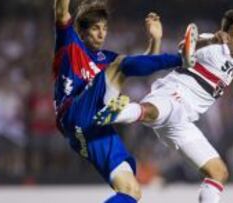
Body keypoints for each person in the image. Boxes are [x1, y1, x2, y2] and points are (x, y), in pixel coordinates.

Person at [96, 9, 233, 203]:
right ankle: (116, 112)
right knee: (155, 111)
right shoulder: (213, 42)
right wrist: (210, 41)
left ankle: (120, 112)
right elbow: (183, 46)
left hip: (184, 120)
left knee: (219, 172)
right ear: (225, 33)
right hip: (175, 93)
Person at [53, 0, 197, 202]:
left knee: (131, 190)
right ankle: (181, 59)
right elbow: (61, 11)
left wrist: (155, 40)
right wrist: (180, 60)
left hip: (94, 127)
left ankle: (113, 111)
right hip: (74, 114)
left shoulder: (107, 58)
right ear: (82, 32)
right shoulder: (70, 44)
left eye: (104, 28)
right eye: (95, 29)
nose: (102, 34)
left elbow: (139, 64)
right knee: (119, 66)